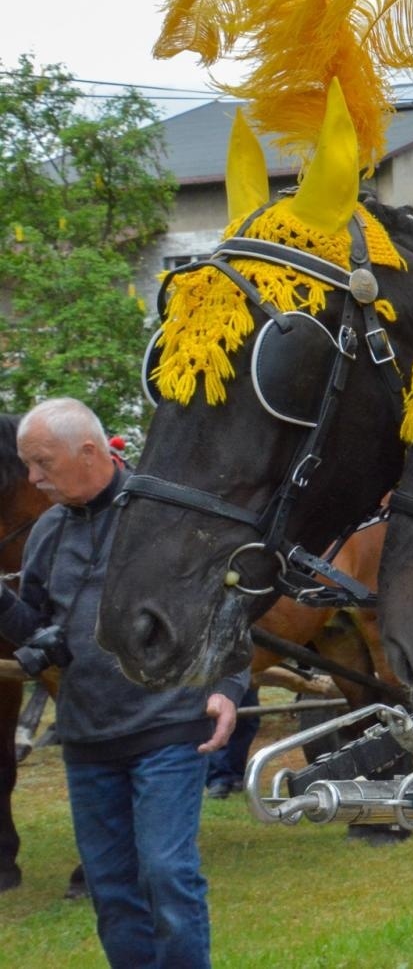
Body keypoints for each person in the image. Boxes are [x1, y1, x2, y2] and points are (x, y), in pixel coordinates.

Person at [0, 398, 249, 968]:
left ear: (89, 452)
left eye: (42, 463)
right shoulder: (46, 534)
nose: (33, 479)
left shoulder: (168, 520)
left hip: (168, 730)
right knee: (112, 892)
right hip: (88, 741)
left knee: (167, 877)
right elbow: (38, 632)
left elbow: (228, 609)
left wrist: (230, 689)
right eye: (27, 465)